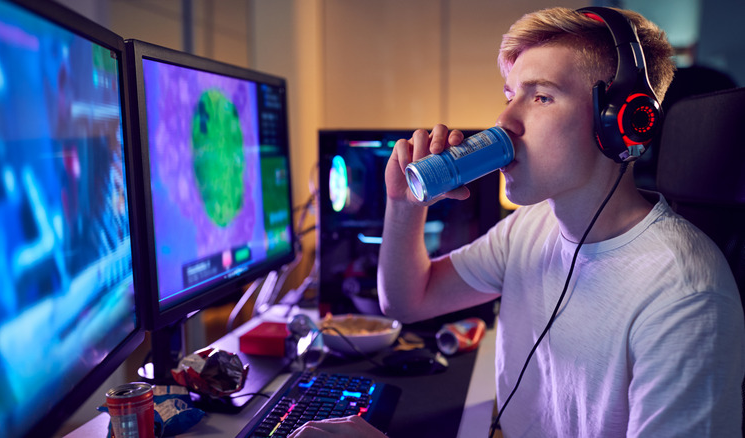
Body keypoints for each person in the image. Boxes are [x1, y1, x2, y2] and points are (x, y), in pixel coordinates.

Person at [289, 6, 745, 437]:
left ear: (619, 122)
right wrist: (404, 206)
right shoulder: (531, 226)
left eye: (541, 96)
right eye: (510, 95)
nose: (504, 120)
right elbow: (407, 301)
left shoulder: (686, 295)